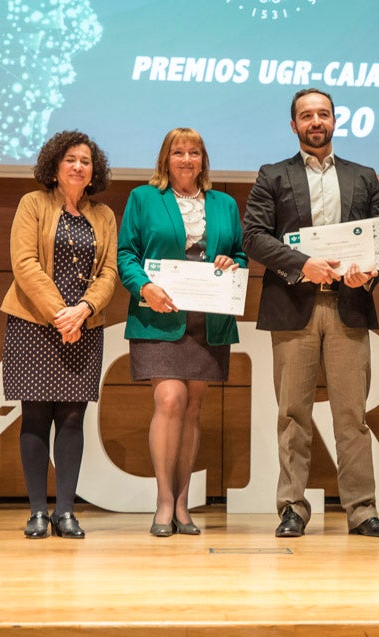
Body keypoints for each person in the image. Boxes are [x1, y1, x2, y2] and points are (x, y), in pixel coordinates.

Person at [242, 88, 379, 538]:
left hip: (349, 307)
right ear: (293, 125)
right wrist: (302, 264)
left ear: (335, 120)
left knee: (352, 414)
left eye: (323, 114)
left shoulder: (363, 176)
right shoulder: (273, 175)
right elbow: (253, 236)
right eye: (306, 115)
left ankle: (362, 510)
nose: (316, 121)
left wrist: (368, 272)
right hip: (295, 307)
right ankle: (292, 507)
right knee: (293, 413)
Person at [117, 128, 247, 537]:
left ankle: (183, 503)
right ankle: (162, 502)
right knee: (170, 397)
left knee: (192, 406)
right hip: (159, 314)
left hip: (208, 318)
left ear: (203, 160)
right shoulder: (143, 198)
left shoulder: (224, 203)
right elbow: (126, 254)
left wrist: (231, 261)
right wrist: (144, 286)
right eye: (179, 152)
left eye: (194, 153)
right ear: (165, 159)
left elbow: (240, 254)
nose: (187, 159)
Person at [0, 130, 117, 539]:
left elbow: (109, 273)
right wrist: (60, 316)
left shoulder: (103, 215)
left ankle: (65, 511)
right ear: (54, 166)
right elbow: (24, 263)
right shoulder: (32, 204)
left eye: (85, 161)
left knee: (72, 419)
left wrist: (83, 311)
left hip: (84, 325)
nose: (78, 166)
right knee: (34, 417)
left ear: (93, 171)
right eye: (70, 159)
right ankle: (36, 511)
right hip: (34, 324)